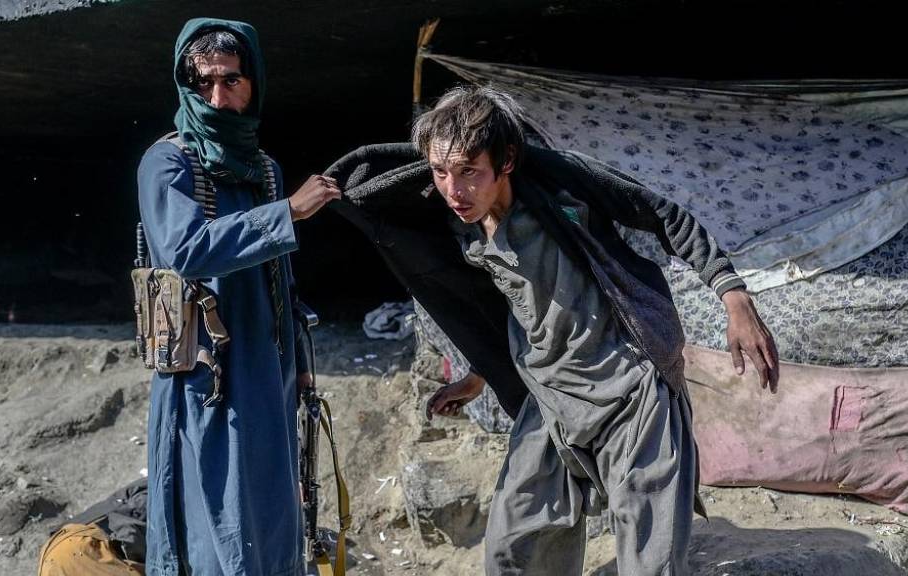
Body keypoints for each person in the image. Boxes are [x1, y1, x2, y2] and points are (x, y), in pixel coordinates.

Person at [331, 84, 779, 575]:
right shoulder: (461, 224)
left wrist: (735, 298)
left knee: (651, 560)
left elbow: (666, 215)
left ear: (506, 161)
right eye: (440, 172)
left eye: (468, 171)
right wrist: (480, 373)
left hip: (629, 386)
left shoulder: (559, 187)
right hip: (548, 394)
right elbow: (511, 304)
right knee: (514, 551)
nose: (453, 190)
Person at [136, 18, 339, 576]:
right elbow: (185, 251)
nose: (217, 97)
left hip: (269, 373)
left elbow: (280, 276)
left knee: (275, 520)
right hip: (207, 376)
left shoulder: (264, 169)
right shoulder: (168, 162)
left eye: (231, 81)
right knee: (216, 527)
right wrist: (287, 213)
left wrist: (298, 362)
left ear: (253, 84)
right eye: (203, 83)